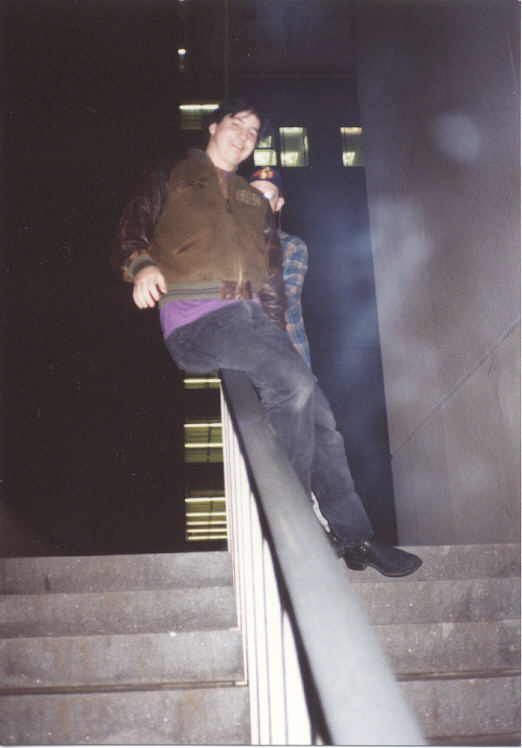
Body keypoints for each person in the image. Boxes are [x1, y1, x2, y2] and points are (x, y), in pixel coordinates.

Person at [111, 99, 421, 577]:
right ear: (214, 126)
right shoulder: (174, 172)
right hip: (197, 315)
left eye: (253, 132)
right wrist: (140, 264)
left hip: (252, 318)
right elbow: (134, 222)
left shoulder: (251, 198)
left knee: (322, 420)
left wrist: (283, 344)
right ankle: (292, 523)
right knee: (292, 387)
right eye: (236, 124)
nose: (244, 135)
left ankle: (356, 537)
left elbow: (273, 278)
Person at [248, 167, 311, 366]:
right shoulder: (230, 246)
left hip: (288, 357)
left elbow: (286, 296)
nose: (260, 201)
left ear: (278, 204)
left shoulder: (292, 246)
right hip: (243, 357)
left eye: (268, 195)